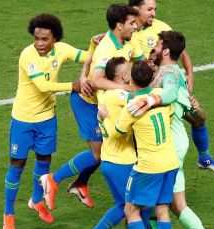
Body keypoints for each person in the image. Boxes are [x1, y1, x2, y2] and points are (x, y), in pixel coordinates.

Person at [40, 3, 145, 211]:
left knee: (111, 150)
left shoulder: (129, 41)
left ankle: (80, 184)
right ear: (119, 24)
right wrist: (126, 89)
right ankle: (52, 180)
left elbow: (143, 62)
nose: (136, 26)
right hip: (87, 103)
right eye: (132, 23)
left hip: (106, 104)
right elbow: (96, 81)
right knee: (99, 154)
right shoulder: (107, 47)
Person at [3, 14, 98, 229]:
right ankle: (8, 214)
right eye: (37, 38)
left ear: (55, 38)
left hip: (47, 119)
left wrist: (94, 44)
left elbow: (88, 58)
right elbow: (43, 85)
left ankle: (37, 201)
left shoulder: (62, 49)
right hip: (23, 119)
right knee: (17, 164)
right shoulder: (28, 55)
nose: (40, 44)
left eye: (45, 39)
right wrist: (73, 86)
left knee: (44, 161)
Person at [148, 30, 214, 229]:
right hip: (175, 142)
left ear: (165, 50)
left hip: (168, 146)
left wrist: (150, 99)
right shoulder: (176, 73)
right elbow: (197, 115)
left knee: (175, 205)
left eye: (157, 45)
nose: (153, 48)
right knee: (155, 195)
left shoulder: (168, 74)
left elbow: (171, 94)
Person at [129, 0, 214, 176]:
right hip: (147, 88)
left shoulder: (160, 28)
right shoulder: (128, 31)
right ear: (136, 9)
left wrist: (189, 74)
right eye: (150, 9)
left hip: (171, 83)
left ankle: (204, 158)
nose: (154, 13)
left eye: (155, 9)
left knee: (199, 119)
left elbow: (180, 51)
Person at [99, 60, 179, 229]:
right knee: (161, 209)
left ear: (131, 79)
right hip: (170, 161)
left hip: (148, 166)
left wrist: (104, 118)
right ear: (151, 79)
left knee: (131, 209)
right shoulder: (161, 96)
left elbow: (117, 134)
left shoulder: (132, 107)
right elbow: (169, 118)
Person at [75, 57, 141, 229]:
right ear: (123, 76)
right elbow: (139, 98)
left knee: (123, 207)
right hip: (123, 161)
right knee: (138, 209)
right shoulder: (120, 95)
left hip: (110, 162)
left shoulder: (105, 93)